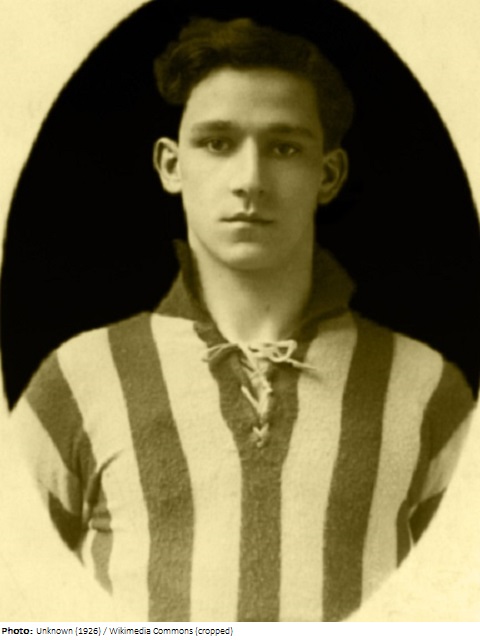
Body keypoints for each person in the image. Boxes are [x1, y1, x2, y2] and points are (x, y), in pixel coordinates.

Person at [8, 17, 475, 622]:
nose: (251, 181)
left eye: (284, 148)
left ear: (328, 174)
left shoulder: (427, 386)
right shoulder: (79, 378)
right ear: (171, 165)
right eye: (217, 143)